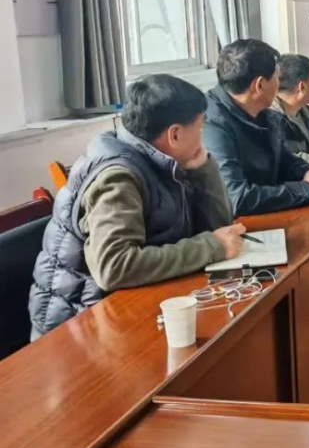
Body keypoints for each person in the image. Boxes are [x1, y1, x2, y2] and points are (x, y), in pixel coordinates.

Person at [29, 75, 246, 338]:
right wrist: (210, 247)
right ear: (175, 134)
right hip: (80, 326)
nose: (203, 137)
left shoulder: (164, 158)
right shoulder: (117, 177)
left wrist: (203, 171)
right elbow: (115, 267)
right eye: (200, 128)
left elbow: (220, 229)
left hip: (132, 303)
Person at [203, 39, 309, 217]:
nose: (280, 85)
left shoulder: (264, 114)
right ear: (260, 85)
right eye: (277, 77)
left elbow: (286, 163)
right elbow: (237, 198)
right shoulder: (212, 125)